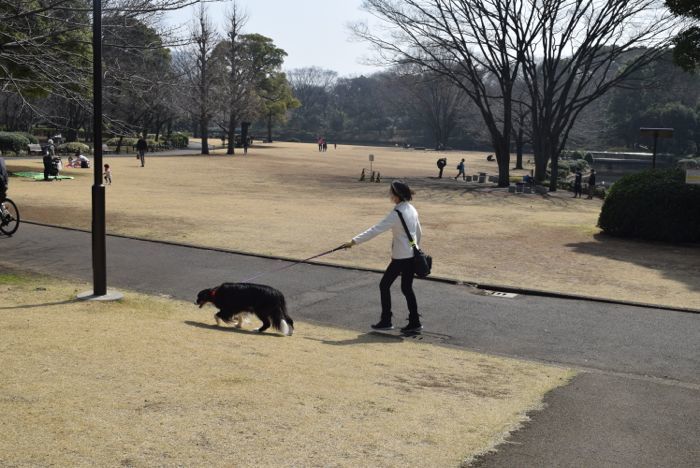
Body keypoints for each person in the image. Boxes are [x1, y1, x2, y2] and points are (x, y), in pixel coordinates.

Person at [342, 180, 423, 333]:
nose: (389, 195)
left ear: (397, 195)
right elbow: (419, 232)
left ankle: (386, 320)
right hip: (412, 254)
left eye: (391, 192)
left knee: (384, 285)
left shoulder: (396, 213)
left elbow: (376, 230)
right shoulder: (411, 208)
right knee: (407, 288)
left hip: (401, 256)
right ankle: (415, 321)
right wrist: (415, 248)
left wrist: (353, 241)